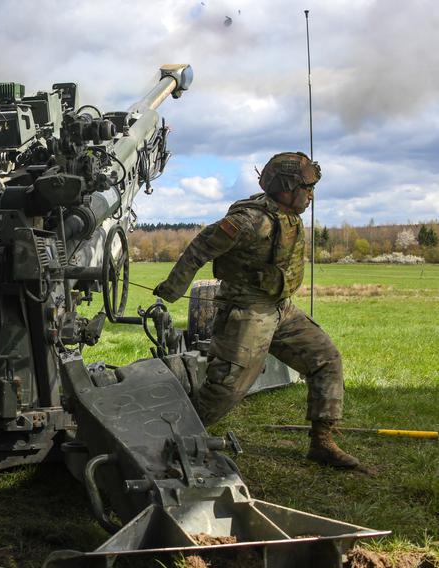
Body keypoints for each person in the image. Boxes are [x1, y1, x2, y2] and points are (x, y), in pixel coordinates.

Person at [153, 151, 360, 468]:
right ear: (286, 188)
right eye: (307, 188)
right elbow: (200, 247)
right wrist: (174, 287)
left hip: (281, 308)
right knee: (225, 391)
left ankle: (322, 442)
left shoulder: (287, 214)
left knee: (326, 359)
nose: (311, 196)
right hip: (247, 312)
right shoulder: (248, 221)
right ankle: (161, 440)